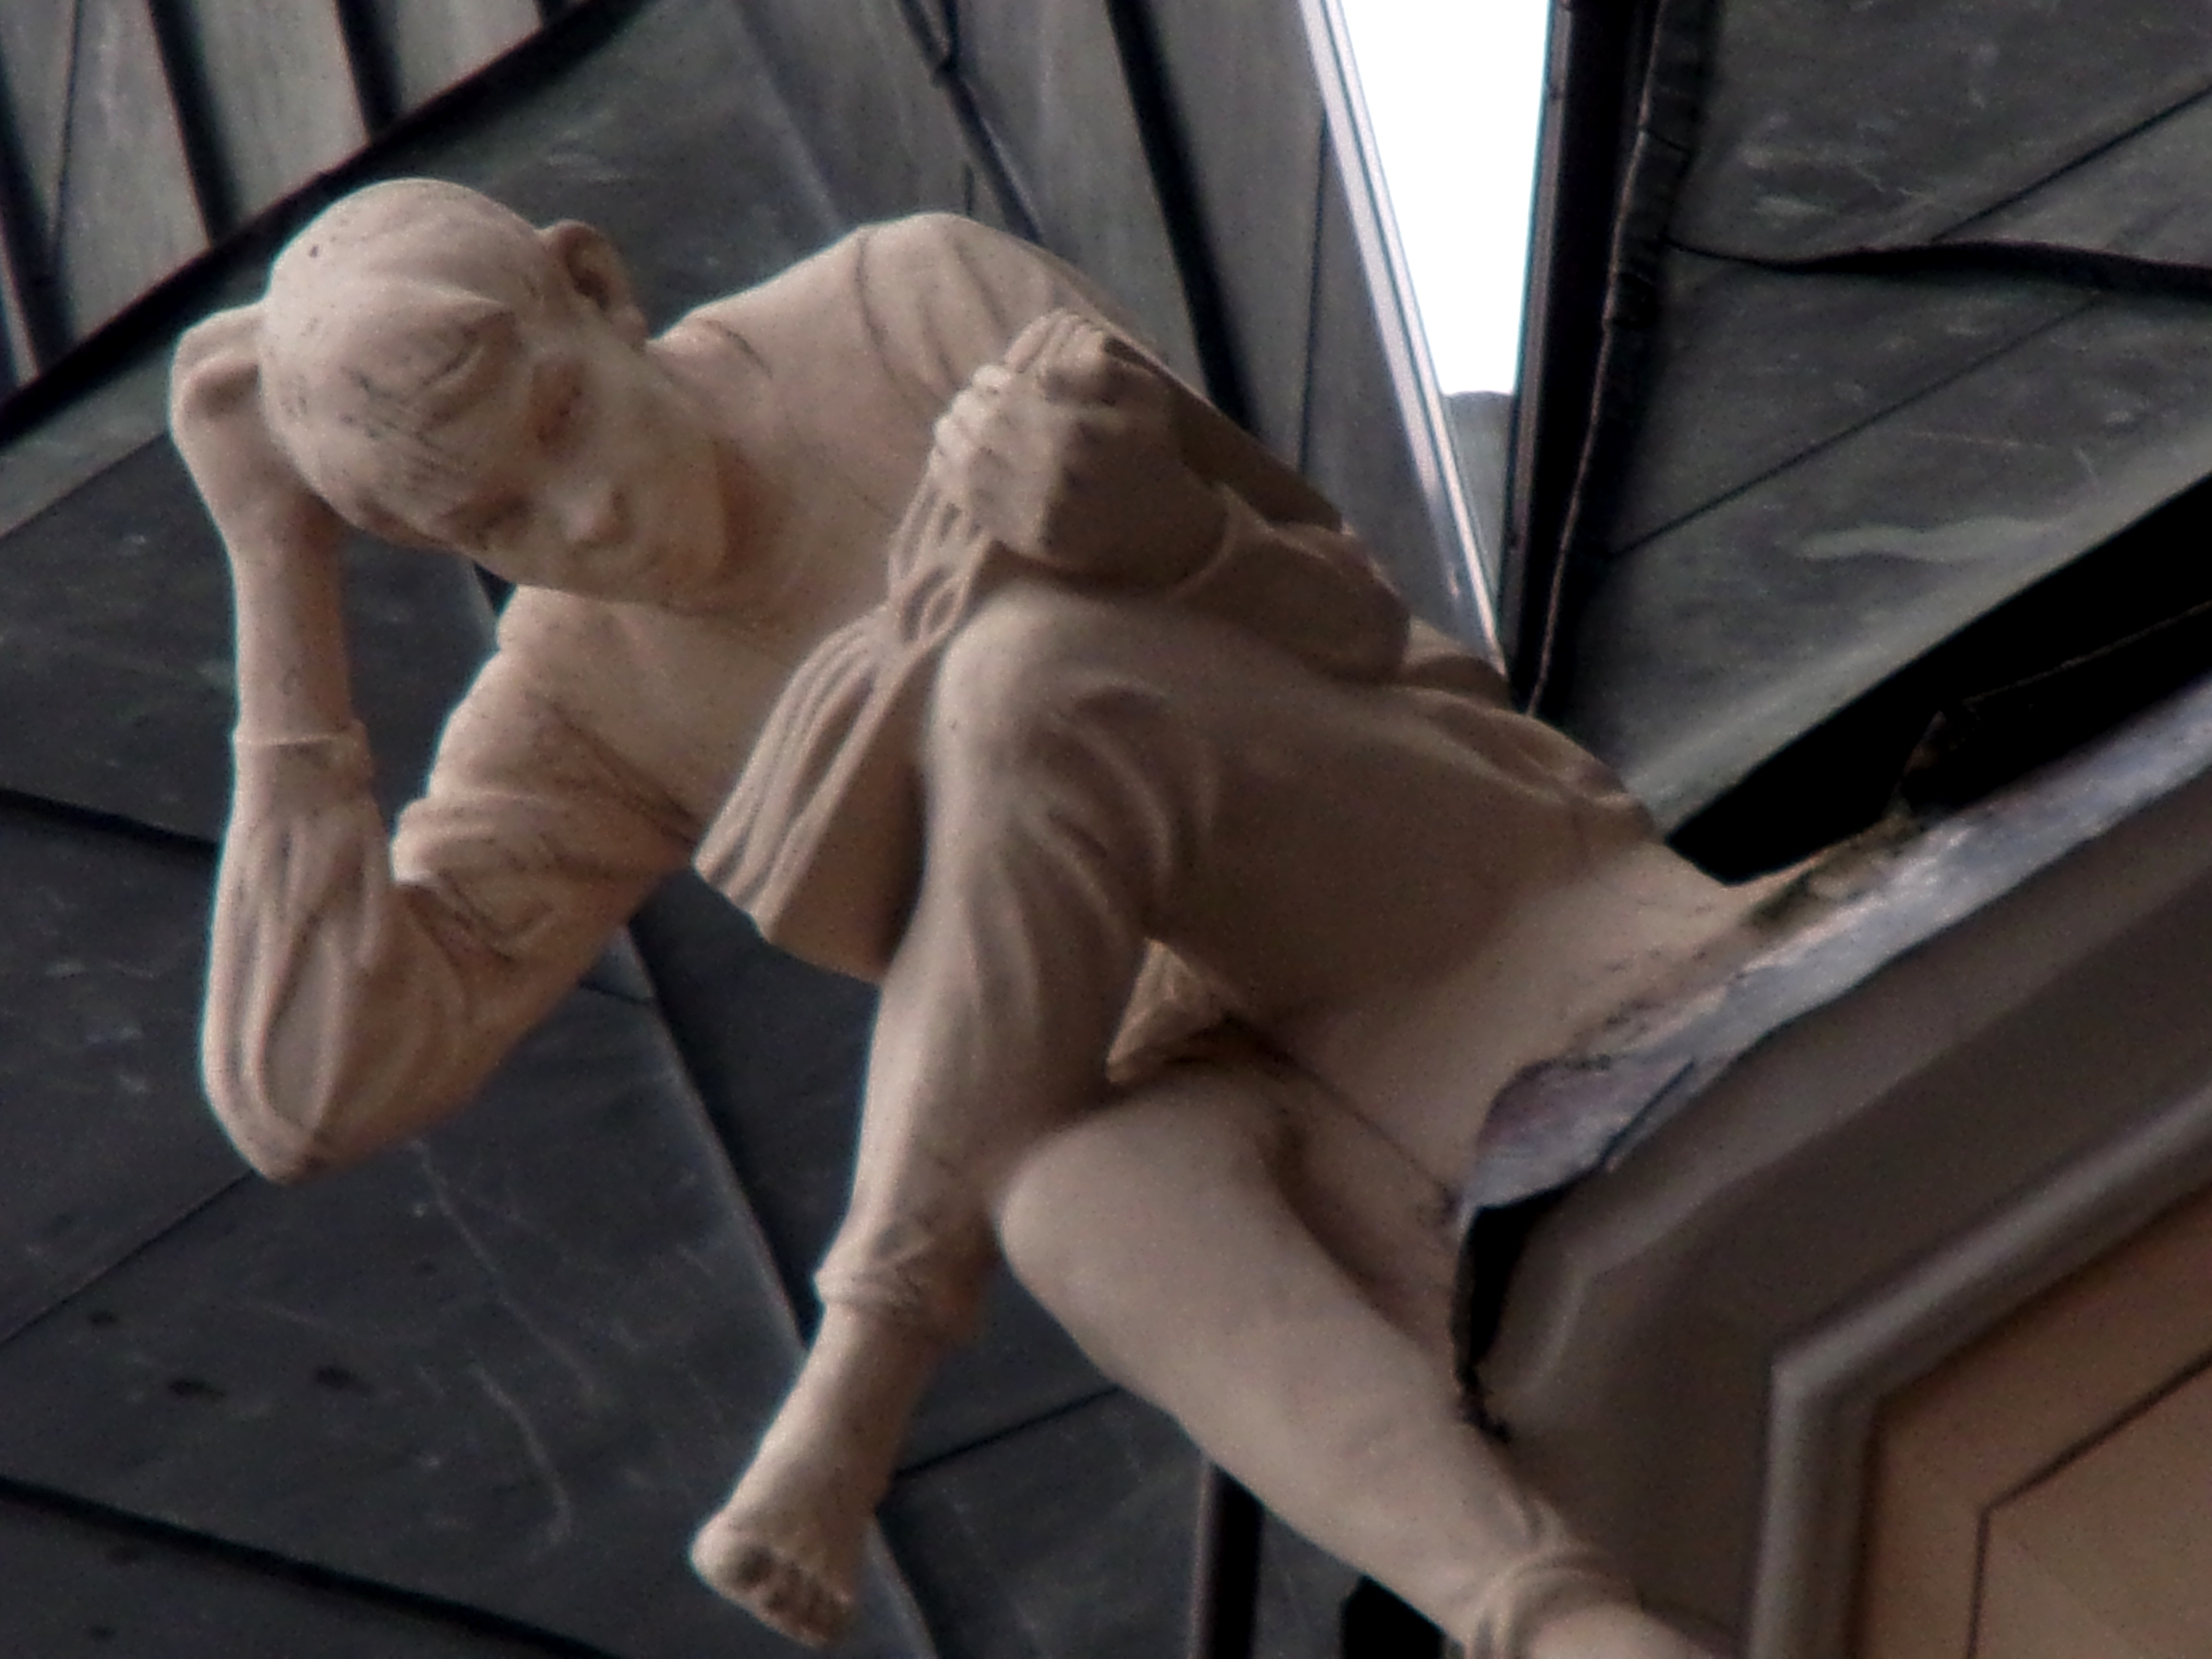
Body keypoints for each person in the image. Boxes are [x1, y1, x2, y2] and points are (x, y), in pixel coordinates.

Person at [174, 176, 1756, 1659]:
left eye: (563, 419)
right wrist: (274, 568)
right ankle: (1554, 1624)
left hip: (1415, 877)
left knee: (1024, 674)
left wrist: (1163, 530)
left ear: (594, 289)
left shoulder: (904, 305)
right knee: (1072, 1191)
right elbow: (308, 1099)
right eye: (495, 526)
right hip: (1212, 1067)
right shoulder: (576, 700)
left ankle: (867, 1360)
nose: (579, 522)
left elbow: (1345, 618)